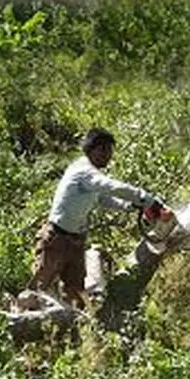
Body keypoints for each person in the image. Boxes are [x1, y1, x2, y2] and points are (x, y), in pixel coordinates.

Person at [27, 127, 160, 308]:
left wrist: (129, 205)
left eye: (110, 152)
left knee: (76, 297)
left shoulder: (89, 175)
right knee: (37, 290)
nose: (109, 156)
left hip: (75, 242)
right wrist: (146, 198)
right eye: (105, 150)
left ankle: (71, 333)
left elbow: (103, 198)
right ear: (94, 149)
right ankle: (19, 324)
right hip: (56, 239)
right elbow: (109, 186)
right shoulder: (84, 171)